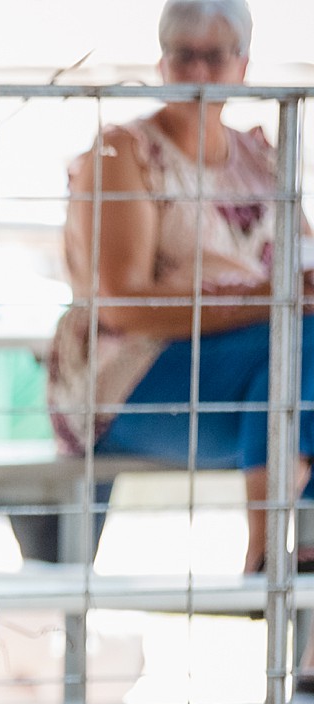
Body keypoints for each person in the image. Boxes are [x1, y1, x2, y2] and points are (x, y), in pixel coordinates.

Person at [48, 0, 314, 575]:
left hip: (262, 378)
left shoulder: (261, 158)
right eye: (184, 56)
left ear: (242, 64)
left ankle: (298, 589)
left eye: (214, 57)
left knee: (302, 355)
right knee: (301, 343)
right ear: (163, 63)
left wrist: (288, 294)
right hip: (131, 378)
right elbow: (124, 310)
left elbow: (303, 267)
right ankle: (272, 548)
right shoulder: (123, 153)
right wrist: (268, 300)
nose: (198, 73)